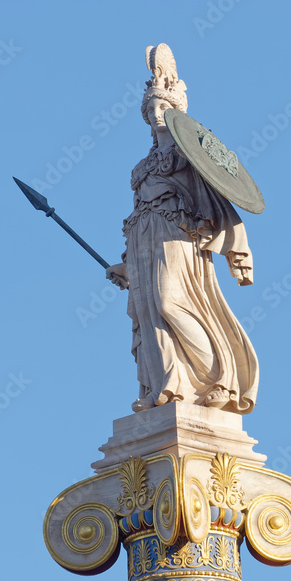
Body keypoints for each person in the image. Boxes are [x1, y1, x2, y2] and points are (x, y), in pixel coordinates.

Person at [106, 44, 258, 414]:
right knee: (149, 312)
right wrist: (127, 263)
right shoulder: (142, 168)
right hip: (145, 239)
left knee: (169, 302)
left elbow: (217, 197)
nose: (157, 115)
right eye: (151, 110)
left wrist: (236, 249)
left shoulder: (189, 155)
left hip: (178, 236)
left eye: (164, 108)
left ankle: (218, 377)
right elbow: (139, 212)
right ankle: (167, 386)